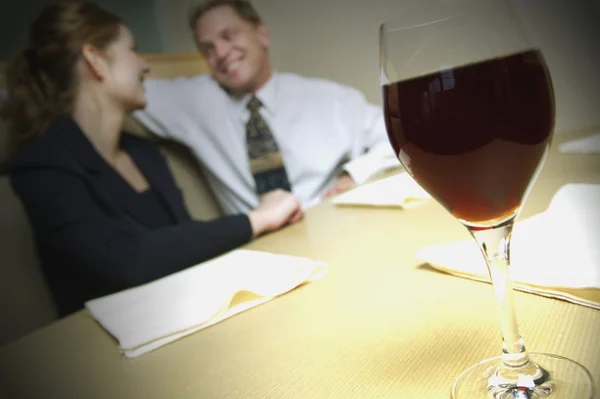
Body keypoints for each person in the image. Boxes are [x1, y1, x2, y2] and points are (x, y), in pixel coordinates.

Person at [3, 1, 302, 317]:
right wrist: (256, 219)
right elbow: (125, 261)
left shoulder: (143, 153)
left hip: (184, 313)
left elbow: (184, 243)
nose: (144, 65)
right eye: (133, 50)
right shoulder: (43, 163)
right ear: (95, 60)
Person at [134, 0, 399, 215]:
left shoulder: (329, 99)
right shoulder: (194, 103)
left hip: (334, 222)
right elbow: (119, 86)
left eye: (229, 35)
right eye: (208, 49)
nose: (222, 52)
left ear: (262, 33)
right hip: (261, 248)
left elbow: (394, 137)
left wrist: (352, 176)